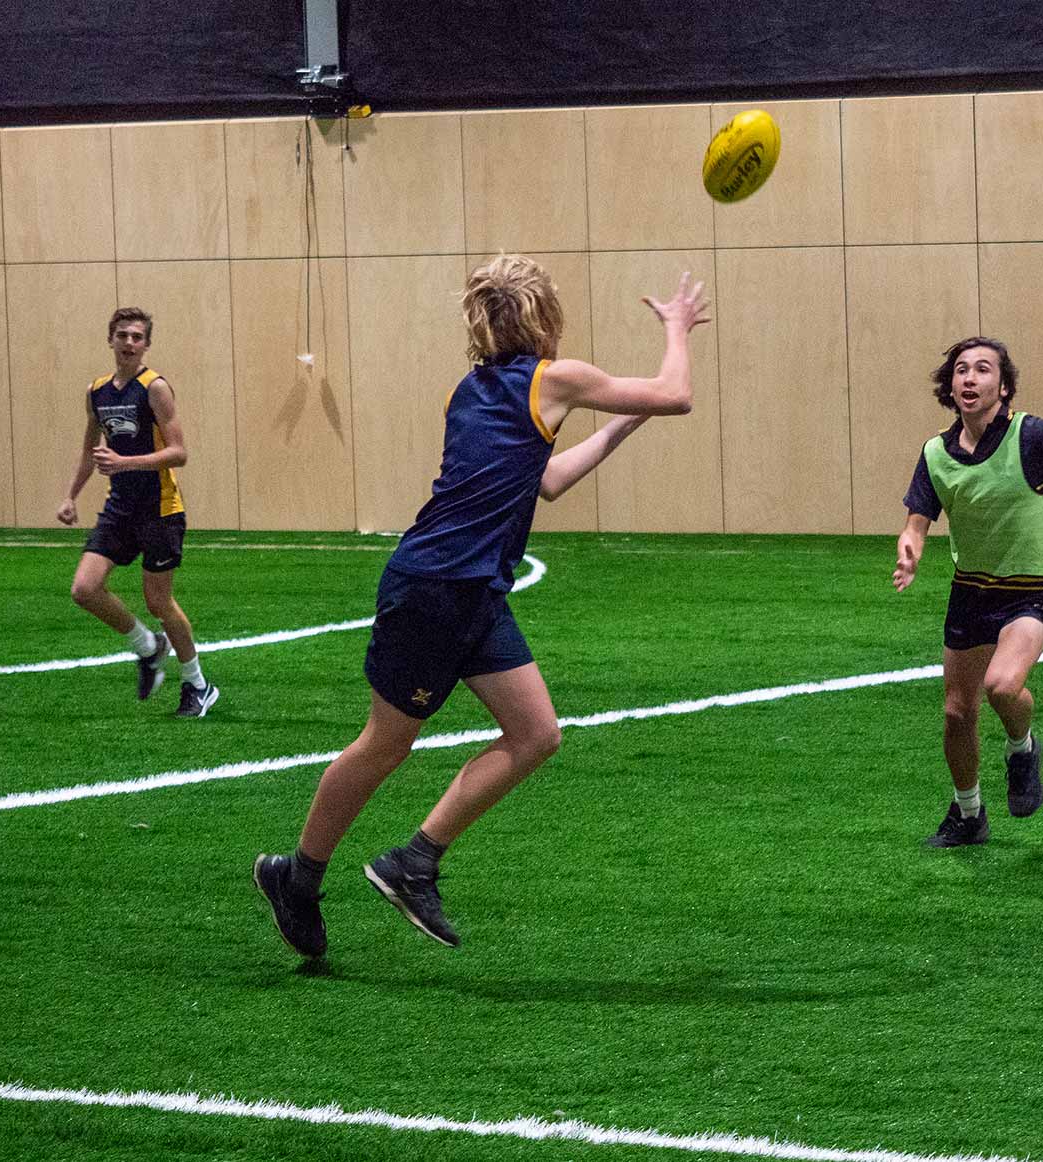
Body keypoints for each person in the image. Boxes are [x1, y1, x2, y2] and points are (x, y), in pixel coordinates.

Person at [255, 255, 710, 957]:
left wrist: (624, 422)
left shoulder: (469, 390)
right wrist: (677, 329)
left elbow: (547, 480)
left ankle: (415, 861)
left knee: (536, 734)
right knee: (387, 742)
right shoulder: (552, 378)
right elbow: (675, 393)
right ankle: (299, 877)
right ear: (544, 316)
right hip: (436, 587)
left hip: (472, 590)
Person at [893, 337, 1043, 848]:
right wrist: (910, 544)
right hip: (970, 591)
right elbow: (917, 520)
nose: (970, 378)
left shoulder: (1031, 434)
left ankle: (1022, 748)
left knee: (1002, 686)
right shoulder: (936, 451)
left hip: (1030, 592)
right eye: (961, 370)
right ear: (950, 385)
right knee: (957, 712)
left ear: (1003, 386)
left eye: (983, 369)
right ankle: (969, 814)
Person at [56, 307, 220, 718]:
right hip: (120, 507)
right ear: (109, 339)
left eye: (137, 337)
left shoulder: (155, 388)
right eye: (123, 335)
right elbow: (90, 452)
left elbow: (179, 453)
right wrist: (70, 496)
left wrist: (125, 463)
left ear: (146, 344)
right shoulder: (97, 391)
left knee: (158, 601)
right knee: (84, 589)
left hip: (160, 509)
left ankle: (197, 684)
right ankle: (148, 646)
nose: (129, 343)